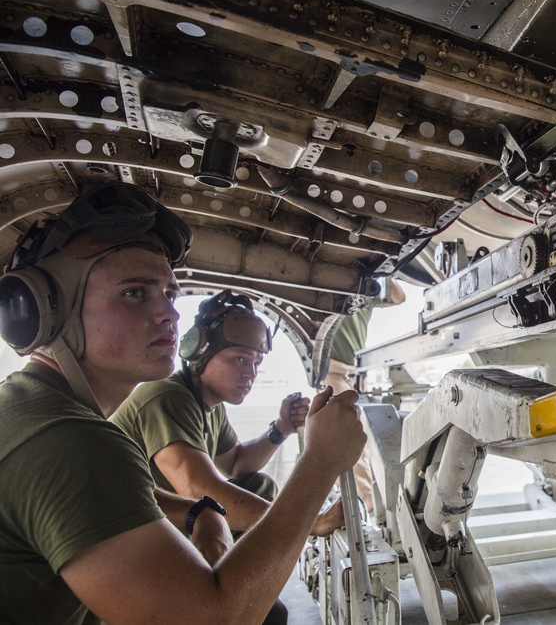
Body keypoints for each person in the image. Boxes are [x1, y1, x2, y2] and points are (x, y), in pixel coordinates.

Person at [0, 182, 366, 625]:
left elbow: (226, 465)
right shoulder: (68, 438)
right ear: (45, 310)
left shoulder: (35, 411)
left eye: (170, 295)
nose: (170, 314)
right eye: (135, 292)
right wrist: (320, 465)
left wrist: (277, 435)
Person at [112, 289, 348, 536]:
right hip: (126, 535)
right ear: (199, 352)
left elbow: (235, 464)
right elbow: (198, 489)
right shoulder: (168, 397)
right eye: (239, 359)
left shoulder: (209, 405)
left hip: (161, 525)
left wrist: (282, 428)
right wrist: (310, 523)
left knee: (257, 486)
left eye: (256, 363)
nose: (251, 373)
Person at [322, 278, 406, 514]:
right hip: (332, 371)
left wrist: (385, 273)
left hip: (354, 372)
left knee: (359, 441)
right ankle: (368, 508)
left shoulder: (365, 290)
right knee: (349, 442)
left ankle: (363, 503)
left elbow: (399, 297)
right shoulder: (328, 287)